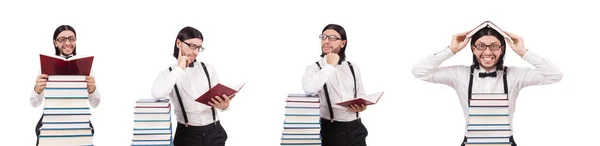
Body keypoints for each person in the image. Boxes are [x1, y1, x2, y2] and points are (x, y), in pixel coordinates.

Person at [412, 26, 563, 146]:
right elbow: (420, 72)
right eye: (481, 46)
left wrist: (523, 52)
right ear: (473, 48)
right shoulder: (459, 74)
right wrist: (451, 50)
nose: (487, 51)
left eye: (494, 46)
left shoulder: (515, 75)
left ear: (502, 49)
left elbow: (554, 75)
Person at [151, 26, 232, 146]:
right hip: (187, 136)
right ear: (178, 43)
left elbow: (218, 99)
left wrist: (224, 106)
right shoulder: (168, 74)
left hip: (215, 131)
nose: (196, 52)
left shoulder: (208, 69)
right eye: (192, 46)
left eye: (199, 47)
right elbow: (157, 94)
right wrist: (179, 68)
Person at [30, 25, 100, 145]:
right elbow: (34, 103)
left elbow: (95, 103)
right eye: (62, 39)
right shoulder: (45, 66)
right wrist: (37, 89)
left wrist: (92, 89)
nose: (67, 43)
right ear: (55, 43)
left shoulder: (86, 66)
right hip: (51, 124)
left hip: (79, 123)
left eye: (71, 38)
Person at [302, 24, 369, 146]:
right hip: (331, 131)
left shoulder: (353, 68)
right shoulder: (314, 68)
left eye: (332, 38)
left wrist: (362, 106)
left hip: (357, 129)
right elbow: (309, 89)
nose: (326, 41)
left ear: (343, 43)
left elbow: (361, 94)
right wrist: (330, 66)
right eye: (323, 37)